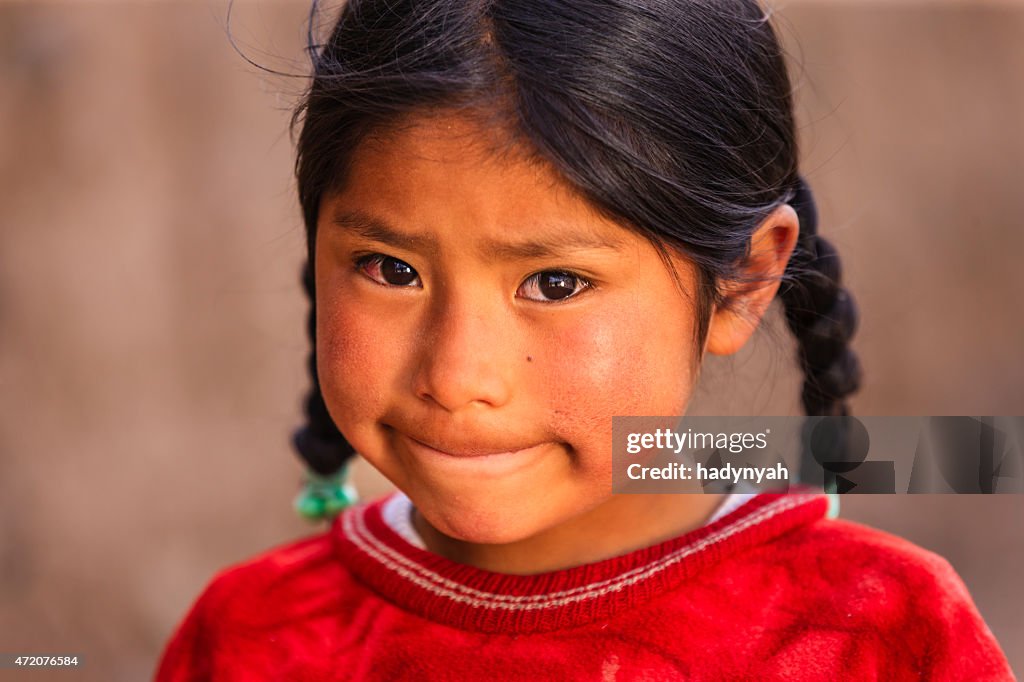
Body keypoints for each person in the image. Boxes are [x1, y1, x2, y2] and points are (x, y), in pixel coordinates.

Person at [156, 0, 1015, 679]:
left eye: (556, 284)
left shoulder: (877, 632)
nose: (457, 376)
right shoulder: (251, 638)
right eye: (389, 268)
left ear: (743, 283)